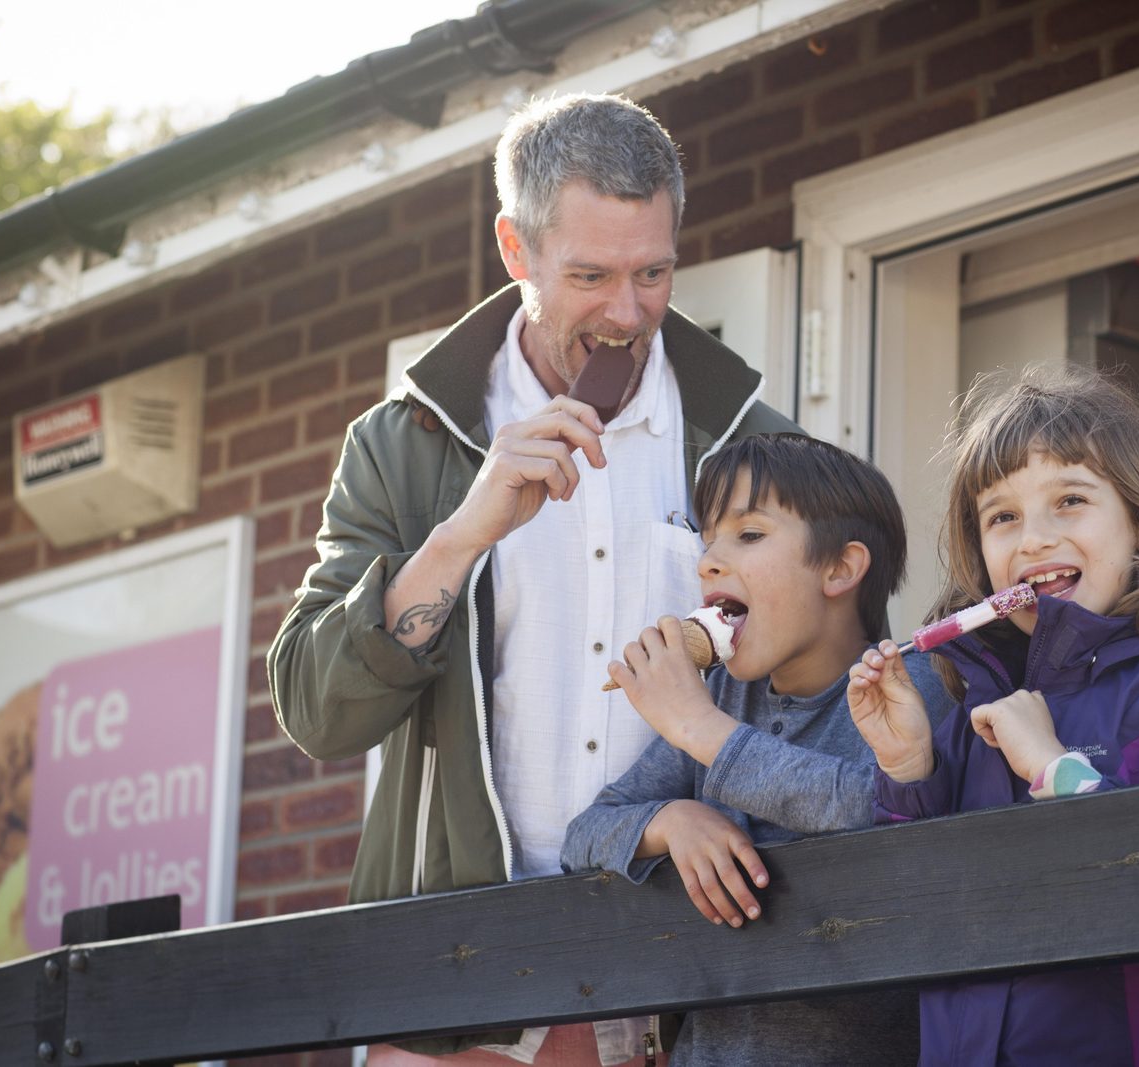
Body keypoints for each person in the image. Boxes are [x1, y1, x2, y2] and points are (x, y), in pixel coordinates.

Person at [266, 93, 797, 1064]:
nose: (628, 312)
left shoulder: (756, 448)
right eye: (589, 275)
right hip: (452, 979)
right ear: (515, 250)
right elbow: (315, 710)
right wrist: (461, 534)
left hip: (679, 979)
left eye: (654, 272)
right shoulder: (402, 443)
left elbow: (823, 694)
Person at [847, 364, 1139, 1066]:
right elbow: (908, 913)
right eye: (1002, 516)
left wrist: (1053, 768)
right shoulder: (969, 713)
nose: (1034, 538)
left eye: (1070, 500)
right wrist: (907, 768)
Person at [561, 433, 953, 1067]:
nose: (708, 561)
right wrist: (670, 820)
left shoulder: (914, 684)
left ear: (840, 569)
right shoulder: (719, 696)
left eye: (748, 535)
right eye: (707, 538)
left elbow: (878, 805)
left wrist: (698, 729)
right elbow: (583, 838)